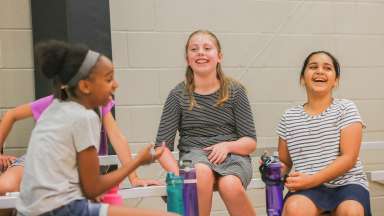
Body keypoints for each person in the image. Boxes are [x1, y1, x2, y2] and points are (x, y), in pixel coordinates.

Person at [16, 40, 176, 216]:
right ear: (85, 86)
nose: (116, 85)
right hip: (61, 210)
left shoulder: (55, 108)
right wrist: (138, 161)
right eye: (108, 79)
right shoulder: (84, 117)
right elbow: (92, 188)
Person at [155, 30, 257, 216]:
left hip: (232, 156)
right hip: (195, 157)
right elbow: (161, 147)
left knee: (230, 185)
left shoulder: (235, 91)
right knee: (200, 174)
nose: (200, 52)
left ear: (219, 56)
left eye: (207, 48)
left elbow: (250, 142)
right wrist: (178, 174)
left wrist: (227, 146)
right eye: (194, 49)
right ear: (187, 59)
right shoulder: (177, 95)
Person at [0, 96, 160, 195]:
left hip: (72, 174)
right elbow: (11, 114)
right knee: (6, 187)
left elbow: (117, 137)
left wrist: (134, 178)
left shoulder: (99, 102)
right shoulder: (55, 101)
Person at [277, 51, 371, 216]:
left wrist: (311, 180)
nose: (320, 71)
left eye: (327, 68)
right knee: (295, 209)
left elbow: (348, 158)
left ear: (336, 81)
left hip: (347, 184)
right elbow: (285, 161)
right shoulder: (288, 116)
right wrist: (272, 170)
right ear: (302, 78)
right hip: (307, 189)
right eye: (313, 67)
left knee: (352, 211)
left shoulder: (346, 108)